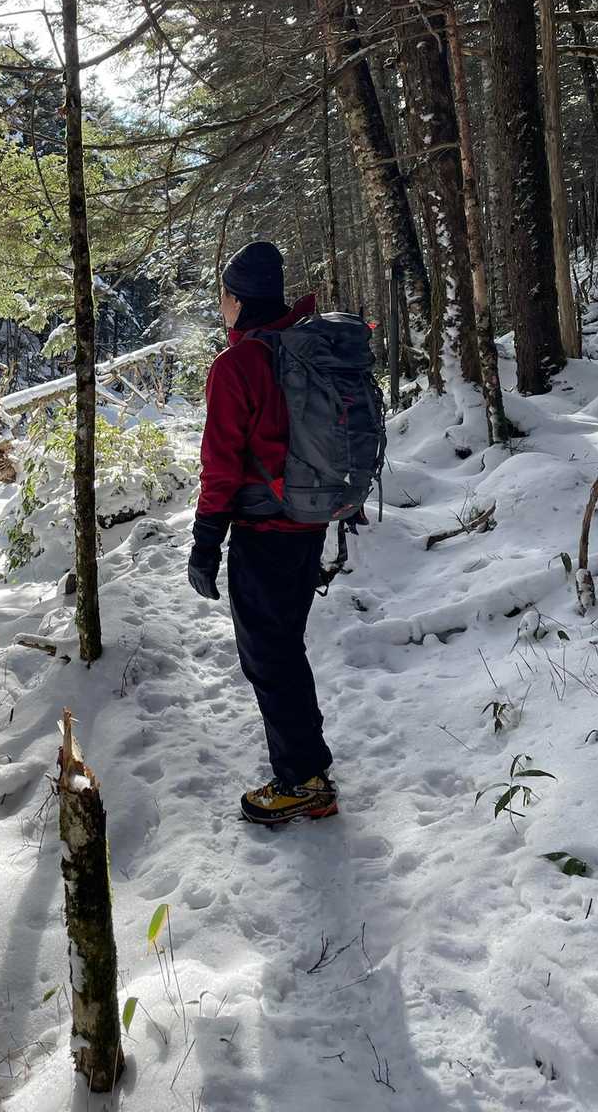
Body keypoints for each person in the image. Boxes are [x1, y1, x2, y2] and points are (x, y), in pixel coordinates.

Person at [187, 240, 337, 826]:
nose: (221, 305)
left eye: (224, 295)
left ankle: (303, 780)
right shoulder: (305, 348)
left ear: (239, 299)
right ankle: (308, 761)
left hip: (265, 530)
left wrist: (205, 543)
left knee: (269, 656)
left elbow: (221, 467)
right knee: (284, 646)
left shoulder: (237, 366)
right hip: (309, 522)